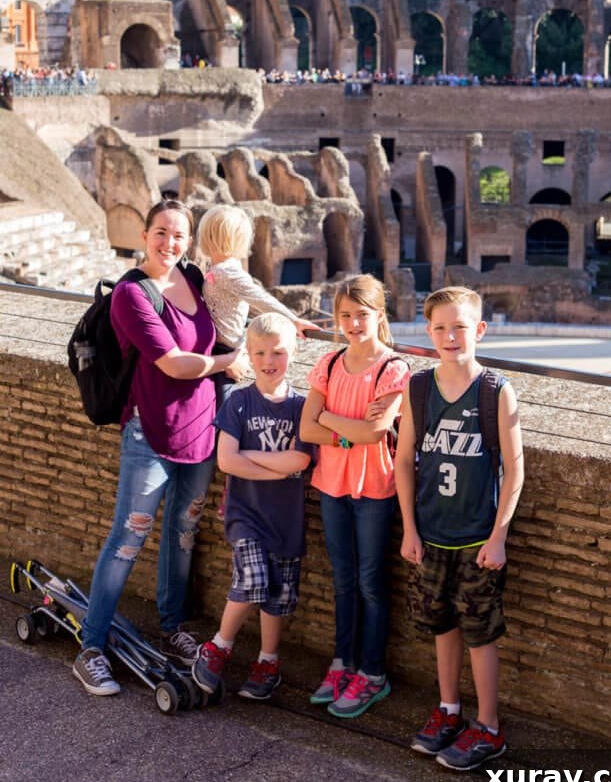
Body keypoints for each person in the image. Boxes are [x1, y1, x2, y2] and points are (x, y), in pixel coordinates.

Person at [72, 198, 246, 697]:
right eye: (161, 233)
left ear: (189, 241)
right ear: (145, 235)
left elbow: (231, 314)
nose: (170, 243)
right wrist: (229, 362)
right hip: (149, 432)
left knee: (183, 532)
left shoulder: (194, 278)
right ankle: (91, 648)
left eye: (179, 235)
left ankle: (172, 627)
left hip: (201, 431)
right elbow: (173, 363)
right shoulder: (131, 294)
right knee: (128, 539)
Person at [394, 286, 524, 771]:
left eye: (460, 327)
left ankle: (489, 726)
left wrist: (499, 537)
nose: (451, 336)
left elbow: (515, 469)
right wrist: (409, 529)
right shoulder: (418, 388)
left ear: (480, 330)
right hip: (430, 535)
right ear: (429, 332)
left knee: (479, 633)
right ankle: (449, 710)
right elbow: (403, 461)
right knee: (441, 625)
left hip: (477, 540)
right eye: (441, 328)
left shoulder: (495, 391)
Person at [300, 274, 409, 718]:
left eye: (362, 314)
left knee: (370, 581)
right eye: (345, 315)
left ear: (379, 314)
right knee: (343, 579)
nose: (353, 323)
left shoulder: (392, 368)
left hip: (374, 487)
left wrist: (327, 416)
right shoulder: (329, 363)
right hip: (332, 484)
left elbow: (375, 432)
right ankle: (342, 662)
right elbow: (306, 429)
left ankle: (373, 672)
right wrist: (348, 430)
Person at [191, 313, 314, 700]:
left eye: (278, 352)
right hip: (246, 514)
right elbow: (227, 462)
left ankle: (267, 662)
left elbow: (300, 460)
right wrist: (279, 468)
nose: (268, 360)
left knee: (277, 595)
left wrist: (253, 457)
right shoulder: (239, 401)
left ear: (293, 352)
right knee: (253, 580)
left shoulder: (302, 407)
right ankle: (218, 647)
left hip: (287, 519)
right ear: (249, 353)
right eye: (259, 353)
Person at [197, 204, 315, 406]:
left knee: (224, 409)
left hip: (225, 348)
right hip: (218, 346)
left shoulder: (226, 271)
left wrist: (293, 321)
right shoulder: (218, 267)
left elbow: (260, 298)